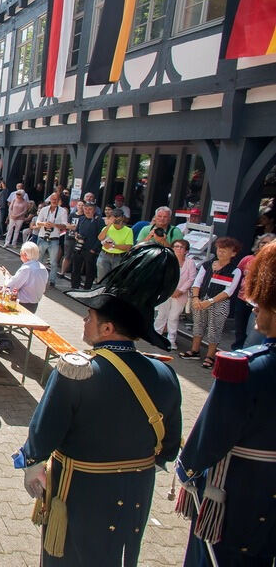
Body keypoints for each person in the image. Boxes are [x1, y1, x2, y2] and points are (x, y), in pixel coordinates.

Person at [16, 243, 182, 566]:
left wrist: (32, 464)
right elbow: (169, 449)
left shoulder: (76, 370)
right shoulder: (167, 375)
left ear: (107, 328)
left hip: (79, 495)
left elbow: (42, 435)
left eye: (89, 316)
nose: (83, 321)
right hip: (135, 496)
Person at [174, 240, 276, 567]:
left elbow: (208, 441)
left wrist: (185, 469)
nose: (254, 306)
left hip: (236, 498)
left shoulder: (245, 368)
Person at [179, 237, 243, 369]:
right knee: (198, 325)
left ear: (233, 253)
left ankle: (210, 356)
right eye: (219, 249)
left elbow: (228, 291)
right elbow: (197, 282)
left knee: (215, 329)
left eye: (225, 250)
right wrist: (196, 298)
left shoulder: (235, 271)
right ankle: (195, 350)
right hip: (201, 299)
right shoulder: (207, 265)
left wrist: (210, 301)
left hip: (219, 303)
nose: (221, 252)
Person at [152, 239, 196, 352]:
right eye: (176, 246)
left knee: (173, 317)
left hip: (180, 295)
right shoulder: (167, 259)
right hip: (166, 292)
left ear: (186, 251)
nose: (178, 249)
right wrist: (170, 290)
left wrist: (180, 290)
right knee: (162, 314)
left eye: (181, 247)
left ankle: (171, 340)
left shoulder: (190, 262)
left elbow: (191, 279)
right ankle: (156, 336)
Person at [30, 194, 69, 287]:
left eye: (56, 199)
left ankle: (52, 281)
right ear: (50, 200)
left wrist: (54, 225)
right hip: (42, 237)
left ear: (59, 200)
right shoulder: (44, 209)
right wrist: (45, 224)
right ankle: (36, 279)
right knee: (38, 260)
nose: (54, 201)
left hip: (54, 239)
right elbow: (38, 222)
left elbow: (64, 226)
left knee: (53, 262)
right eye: (52, 199)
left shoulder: (62, 211)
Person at [5, 242, 49, 314]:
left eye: (21, 253)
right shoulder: (43, 268)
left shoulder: (26, 268)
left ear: (25, 255)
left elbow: (10, 286)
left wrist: (6, 276)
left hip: (22, 303)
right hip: (34, 304)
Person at [70, 201, 103, 290]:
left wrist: (94, 249)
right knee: (75, 269)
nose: (87, 211)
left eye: (90, 209)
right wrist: (76, 235)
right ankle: (74, 287)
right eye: (85, 209)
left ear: (94, 210)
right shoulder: (81, 218)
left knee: (89, 271)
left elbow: (101, 237)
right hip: (79, 247)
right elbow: (77, 230)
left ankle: (87, 288)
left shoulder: (99, 220)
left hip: (91, 249)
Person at [96, 209, 134, 282]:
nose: (116, 219)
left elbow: (128, 247)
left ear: (122, 218)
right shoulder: (106, 228)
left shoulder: (128, 230)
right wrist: (109, 224)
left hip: (119, 257)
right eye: (114, 217)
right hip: (104, 256)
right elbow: (100, 238)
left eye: (118, 217)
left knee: (116, 280)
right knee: (102, 280)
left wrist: (113, 246)